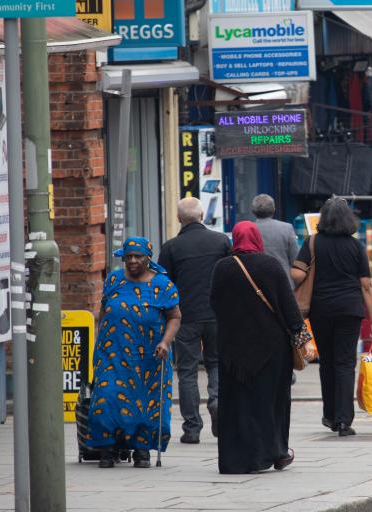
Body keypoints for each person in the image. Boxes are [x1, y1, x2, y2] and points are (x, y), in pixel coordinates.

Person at [210, 222, 314, 473]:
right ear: (256, 239)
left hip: (233, 349)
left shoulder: (222, 267)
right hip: (271, 348)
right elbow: (289, 306)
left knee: (237, 404)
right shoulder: (270, 265)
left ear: (235, 239)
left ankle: (236, 459)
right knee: (271, 402)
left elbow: (214, 303)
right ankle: (275, 452)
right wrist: (303, 338)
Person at [85, 237, 181, 468]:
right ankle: (107, 449)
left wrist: (165, 342)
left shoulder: (162, 284)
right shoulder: (114, 279)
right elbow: (104, 310)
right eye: (128, 257)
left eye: (138, 257)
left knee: (145, 403)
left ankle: (142, 451)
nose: (132, 261)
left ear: (148, 259)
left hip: (150, 355)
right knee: (106, 399)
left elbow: (175, 317)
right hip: (113, 353)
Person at [291, 198, 372, 437]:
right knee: (345, 363)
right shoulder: (355, 246)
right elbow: (366, 285)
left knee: (327, 362)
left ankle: (329, 415)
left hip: (321, 310)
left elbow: (297, 274)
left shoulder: (312, 243)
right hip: (350, 311)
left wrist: (307, 274)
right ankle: (343, 421)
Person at [158, 197, 231, 443]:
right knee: (217, 363)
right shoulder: (221, 241)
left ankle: (191, 429)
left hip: (185, 317)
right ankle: (219, 402)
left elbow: (163, 286)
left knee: (187, 371)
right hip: (218, 314)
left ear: (179, 219)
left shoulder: (171, 247)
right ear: (202, 216)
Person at [251, 194, 300, 278]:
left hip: (257, 280)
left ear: (253, 211)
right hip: (283, 279)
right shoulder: (287, 228)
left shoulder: (249, 230)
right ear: (273, 209)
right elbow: (295, 259)